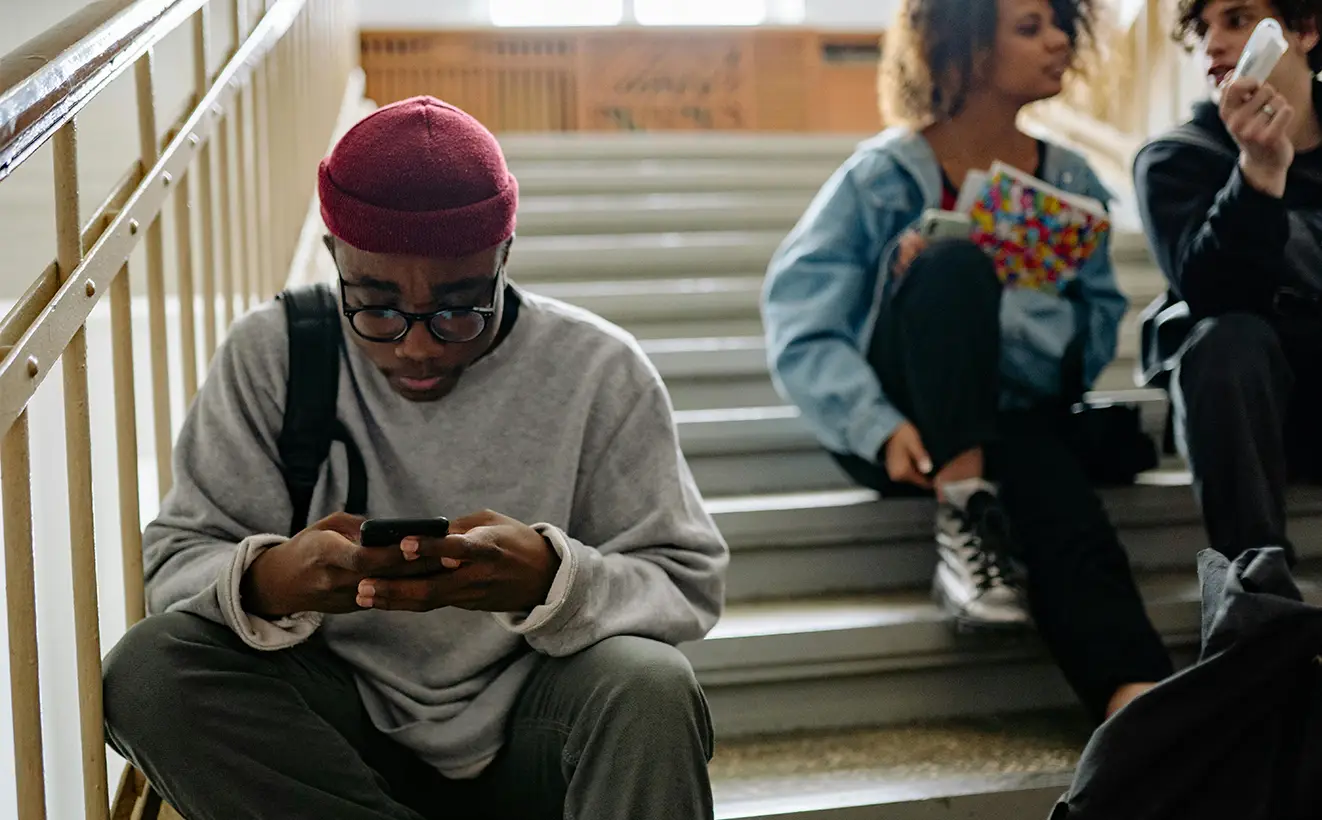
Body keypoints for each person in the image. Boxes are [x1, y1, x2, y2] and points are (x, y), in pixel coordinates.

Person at [100, 96, 729, 820]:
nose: (419, 345)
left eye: (462, 305)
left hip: (538, 730)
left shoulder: (601, 371)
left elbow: (685, 580)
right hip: (335, 738)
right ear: (334, 258)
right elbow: (175, 559)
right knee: (148, 672)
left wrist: (553, 578)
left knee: (651, 686)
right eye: (376, 304)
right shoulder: (273, 353)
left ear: (505, 256)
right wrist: (274, 580)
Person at [761, 0, 1173, 722]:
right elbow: (802, 325)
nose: (1057, 42)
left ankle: (1134, 708)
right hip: (902, 433)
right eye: (1029, 27)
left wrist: (1010, 306)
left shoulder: (1072, 181)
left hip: (1012, 413)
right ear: (966, 50)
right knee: (948, 265)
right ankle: (963, 508)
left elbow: (1091, 336)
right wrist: (876, 424)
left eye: (1058, 24)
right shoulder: (880, 174)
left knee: (1047, 477)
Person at [1134, 0, 1322, 564]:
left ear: (1305, 29)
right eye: (1204, 28)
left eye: (1237, 21)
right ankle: (1260, 603)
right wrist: (1258, 174)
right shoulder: (1175, 159)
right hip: (1255, 410)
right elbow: (1212, 293)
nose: (1212, 43)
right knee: (1225, 339)